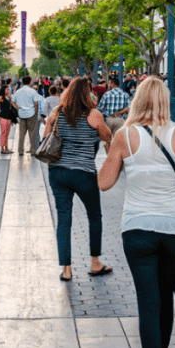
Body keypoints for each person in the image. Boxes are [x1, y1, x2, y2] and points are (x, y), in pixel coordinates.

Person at [98, 77, 175, 348]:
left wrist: (110, 150)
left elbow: (104, 182)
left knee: (148, 301)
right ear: (165, 101)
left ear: (138, 101)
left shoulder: (124, 135)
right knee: (166, 295)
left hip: (137, 228)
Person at [43, 76, 114, 283]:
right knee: (94, 216)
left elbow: (45, 139)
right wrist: (97, 126)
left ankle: (66, 269)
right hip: (84, 173)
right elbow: (107, 137)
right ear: (87, 93)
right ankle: (95, 263)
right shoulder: (93, 114)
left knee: (63, 220)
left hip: (58, 172)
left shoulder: (57, 113)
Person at [12, 75, 42, 156]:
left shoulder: (18, 91)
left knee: (22, 133)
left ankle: (20, 151)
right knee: (32, 133)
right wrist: (36, 112)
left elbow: (12, 101)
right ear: (30, 82)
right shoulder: (33, 91)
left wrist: (17, 108)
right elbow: (36, 103)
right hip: (31, 114)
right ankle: (33, 150)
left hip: (22, 114)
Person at [0, 84, 17, 155]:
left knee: (7, 133)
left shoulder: (9, 97)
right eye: (7, 89)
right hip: (3, 117)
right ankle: (2, 148)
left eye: (8, 89)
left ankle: (6, 148)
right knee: (3, 133)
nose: (8, 91)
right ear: (4, 90)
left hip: (9, 117)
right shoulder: (1, 98)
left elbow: (13, 104)